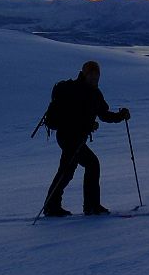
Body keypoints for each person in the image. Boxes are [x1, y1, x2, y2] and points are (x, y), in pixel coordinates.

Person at [43, 60, 130, 217]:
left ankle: (55, 206)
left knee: (68, 170)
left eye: (96, 76)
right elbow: (71, 118)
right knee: (90, 165)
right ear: (84, 74)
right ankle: (89, 206)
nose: (94, 79)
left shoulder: (95, 94)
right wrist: (87, 126)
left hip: (77, 138)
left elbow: (104, 115)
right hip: (68, 137)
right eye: (91, 75)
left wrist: (120, 116)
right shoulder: (74, 91)